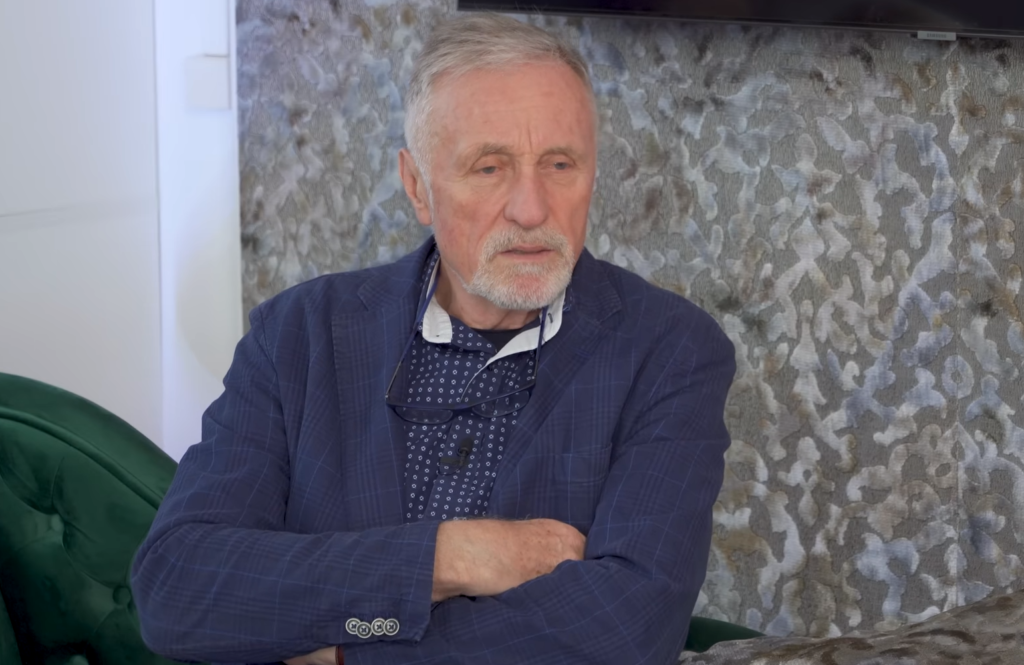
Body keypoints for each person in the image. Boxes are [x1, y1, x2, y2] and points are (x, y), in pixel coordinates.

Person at [131, 13, 735, 665]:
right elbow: (177, 588)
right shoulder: (298, 334)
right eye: (489, 167)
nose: (531, 208)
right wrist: (448, 556)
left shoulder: (670, 351)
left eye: (560, 163)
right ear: (417, 186)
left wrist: (349, 654)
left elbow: (626, 629)